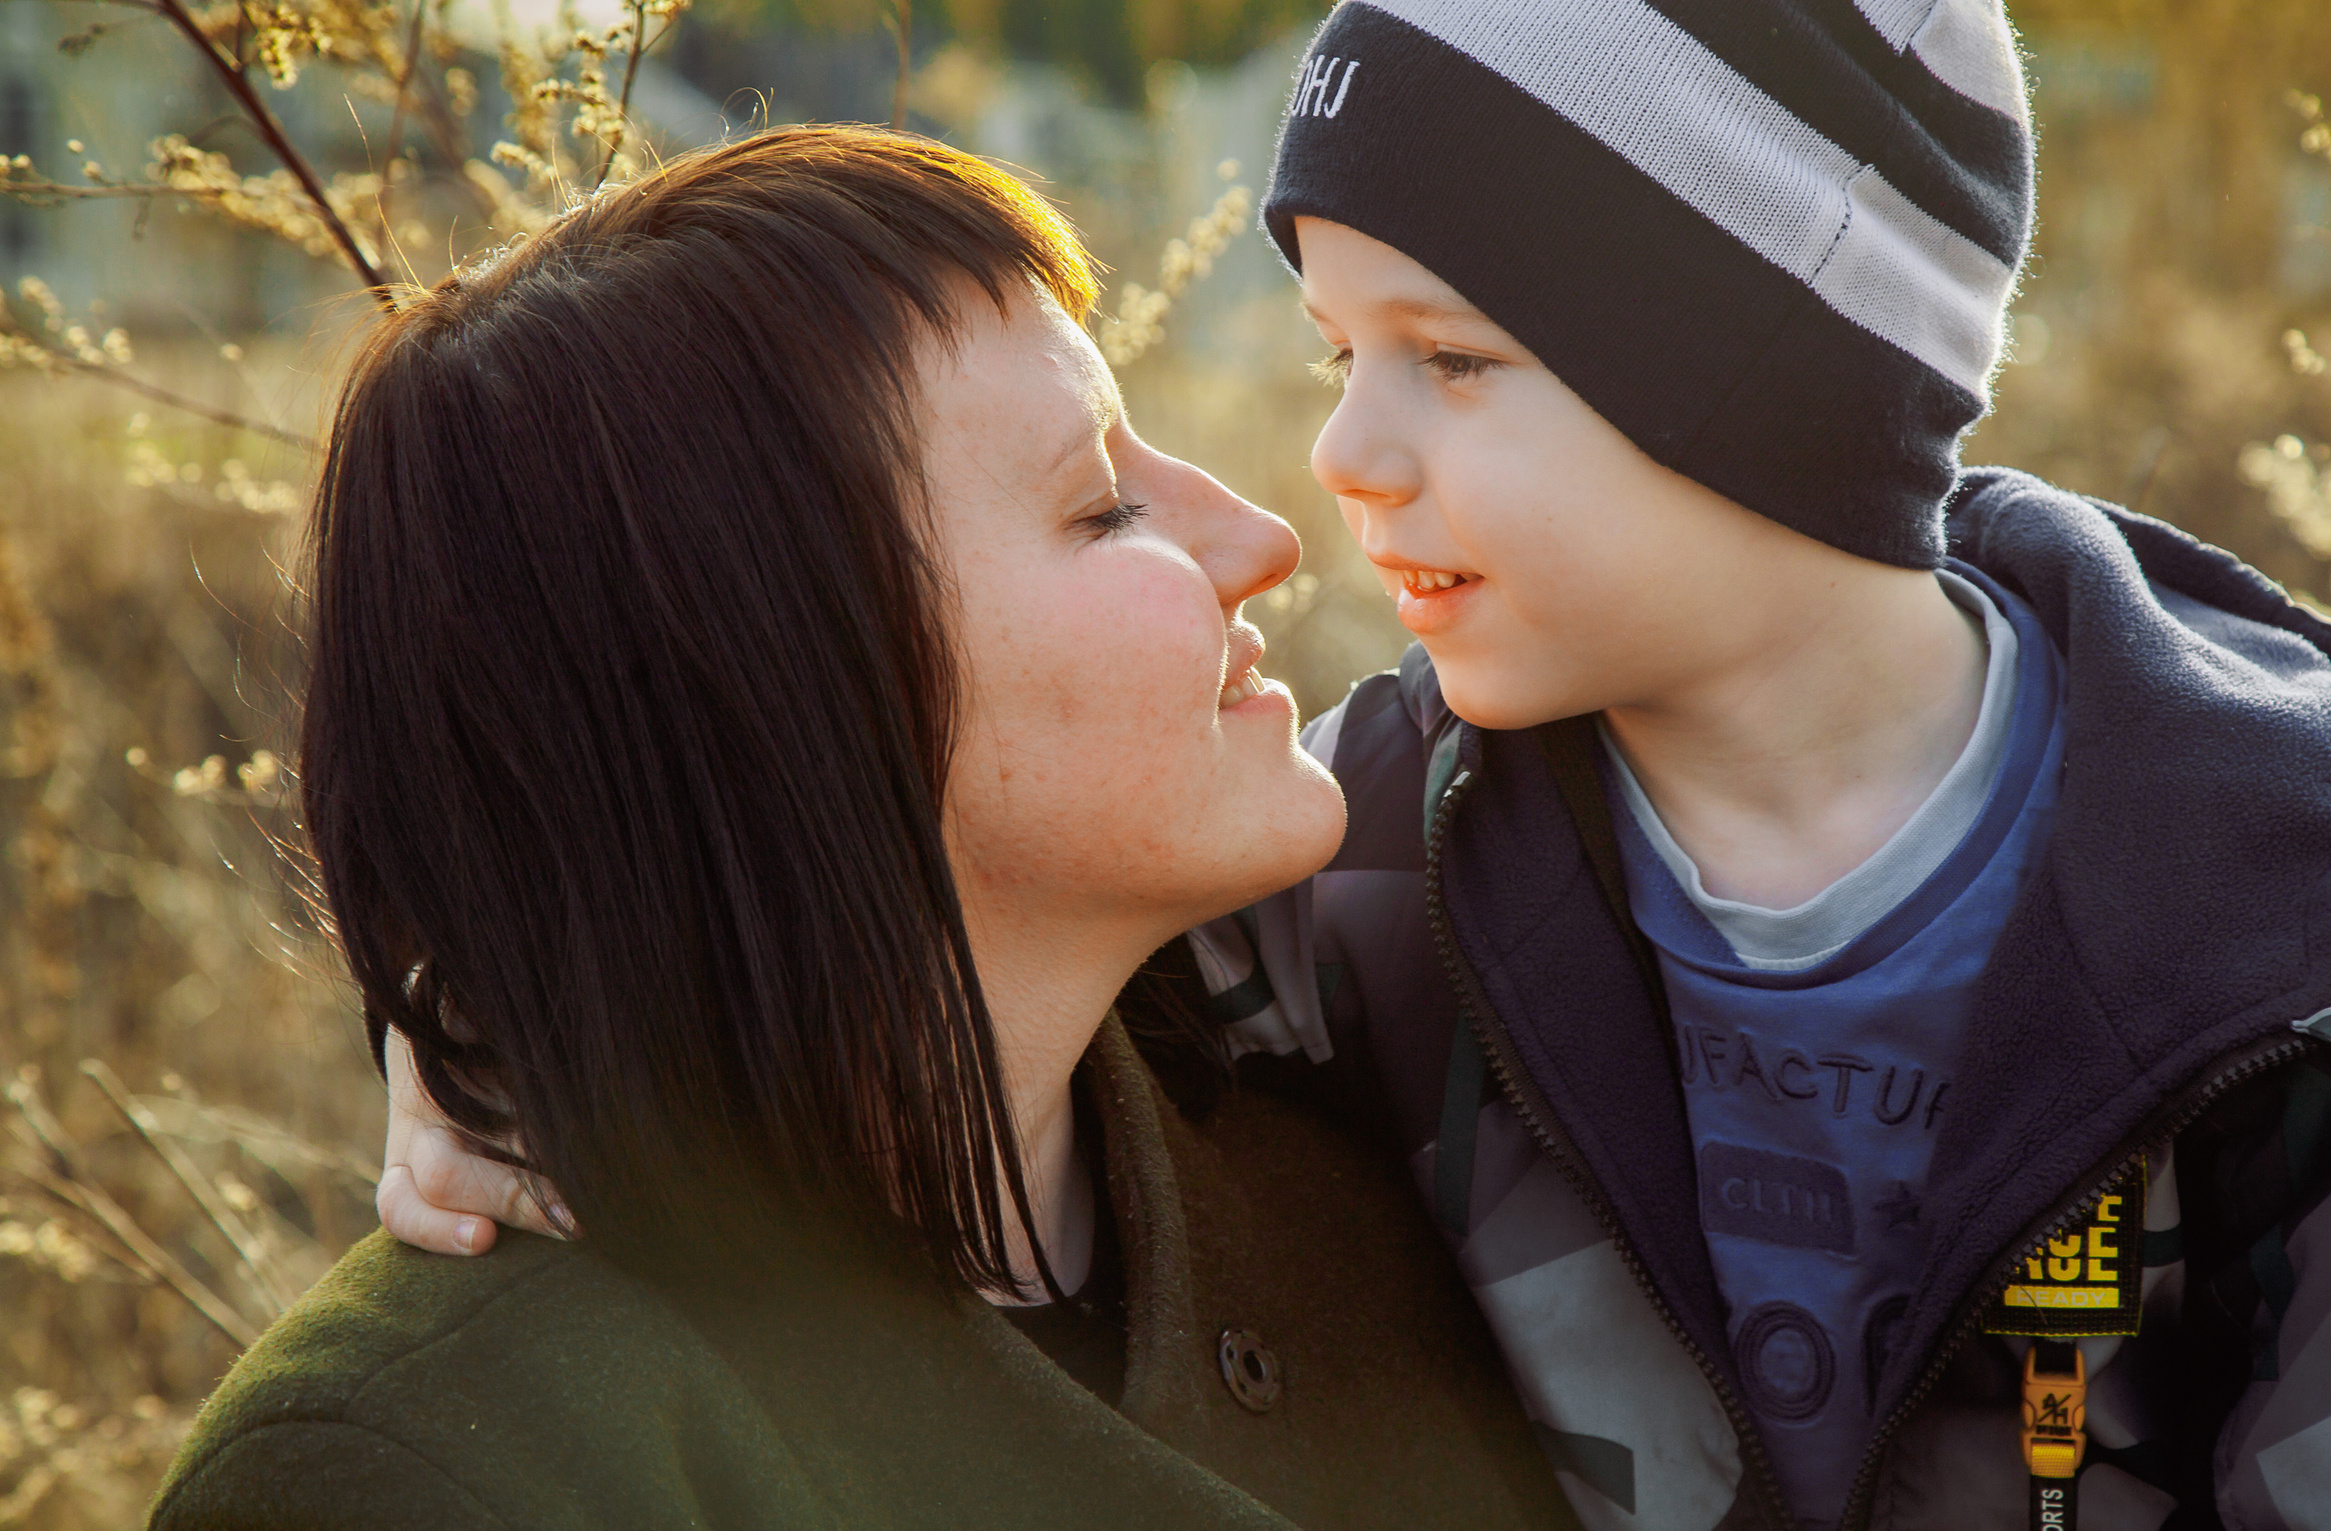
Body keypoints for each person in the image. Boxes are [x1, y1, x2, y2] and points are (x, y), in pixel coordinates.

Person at [393, 0, 2331, 1529]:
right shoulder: (1370, 879)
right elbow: (863, 944)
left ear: (1759, 383)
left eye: (1451, 359)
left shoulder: (2291, 962)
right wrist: (483, 1029)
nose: (1338, 453)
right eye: (1341, 352)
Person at [148, 127, 1580, 1531]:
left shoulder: (1377, 1158)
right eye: (1100, 506)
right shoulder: (438, 1472)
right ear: (775, 699)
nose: (1260, 537)